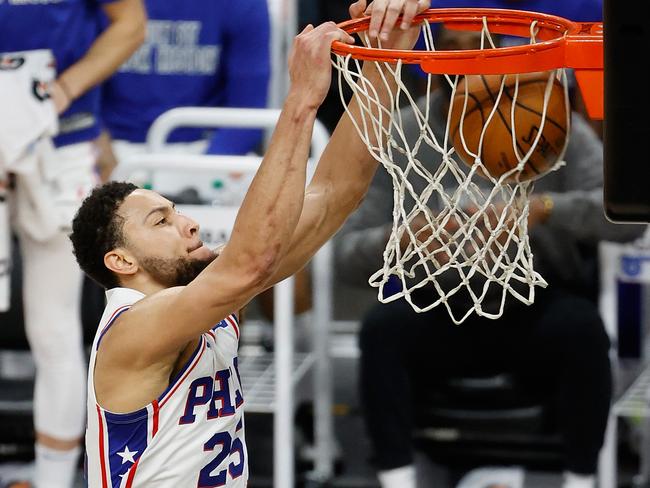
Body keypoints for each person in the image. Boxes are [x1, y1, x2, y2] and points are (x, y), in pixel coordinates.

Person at [69, 1, 430, 485]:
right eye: (161, 221)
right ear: (121, 260)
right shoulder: (132, 329)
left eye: (178, 212)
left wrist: (387, 62)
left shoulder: (213, 294)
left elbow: (334, 194)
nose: (190, 225)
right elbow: (250, 262)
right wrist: (301, 98)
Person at [333, 28, 642, 488]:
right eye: (453, 47)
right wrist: (404, 239)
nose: (467, 57)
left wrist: (546, 209)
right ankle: (397, 480)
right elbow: (345, 256)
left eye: (478, 45)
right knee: (382, 330)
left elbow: (628, 217)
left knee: (583, 331)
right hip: (438, 301)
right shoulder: (406, 130)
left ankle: (582, 480)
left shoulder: (549, 121)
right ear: (436, 58)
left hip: (536, 299)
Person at [0, 2, 145, 487]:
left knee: (52, 326)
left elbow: (130, 23)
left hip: (63, 135)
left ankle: (52, 479)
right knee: (54, 329)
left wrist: (61, 90)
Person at [101, 0, 271, 158]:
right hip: (110, 146)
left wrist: (201, 174)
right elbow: (81, 97)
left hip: (203, 147)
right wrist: (103, 158)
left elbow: (247, 111)